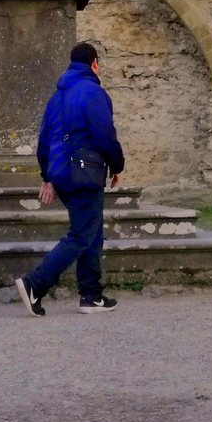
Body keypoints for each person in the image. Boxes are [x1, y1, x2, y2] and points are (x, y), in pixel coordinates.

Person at [14, 42, 125, 316]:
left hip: (62, 174)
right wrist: (117, 164)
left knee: (91, 231)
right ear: (94, 63)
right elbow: (104, 134)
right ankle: (34, 285)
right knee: (81, 234)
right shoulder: (93, 92)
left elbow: (44, 140)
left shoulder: (56, 98)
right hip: (85, 173)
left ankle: (91, 296)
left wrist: (46, 176)